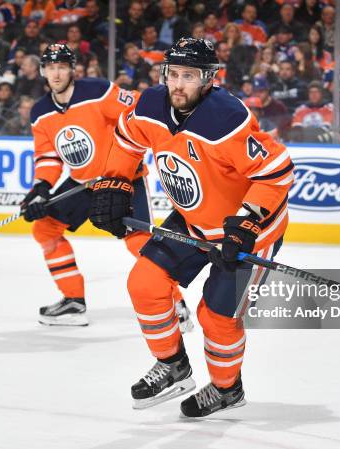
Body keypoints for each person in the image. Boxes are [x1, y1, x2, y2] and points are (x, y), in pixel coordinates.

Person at [88, 38, 294, 417]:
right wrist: (116, 180)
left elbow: (276, 172)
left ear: (209, 79)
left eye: (189, 76)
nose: (178, 84)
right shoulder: (150, 104)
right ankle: (172, 365)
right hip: (192, 219)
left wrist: (248, 220)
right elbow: (126, 137)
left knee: (216, 318)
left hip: (249, 232)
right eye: (173, 74)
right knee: (144, 284)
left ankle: (226, 388)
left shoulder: (226, 118)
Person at [25, 43, 191, 329]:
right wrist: (41, 187)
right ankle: (73, 302)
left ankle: (175, 303)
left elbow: (142, 109)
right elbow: (49, 155)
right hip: (82, 183)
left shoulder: (98, 91)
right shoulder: (40, 112)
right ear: (43, 71)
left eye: (62, 66)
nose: (56, 73)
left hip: (122, 179)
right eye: (51, 67)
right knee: (45, 227)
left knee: (139, 241)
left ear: (72, 69)